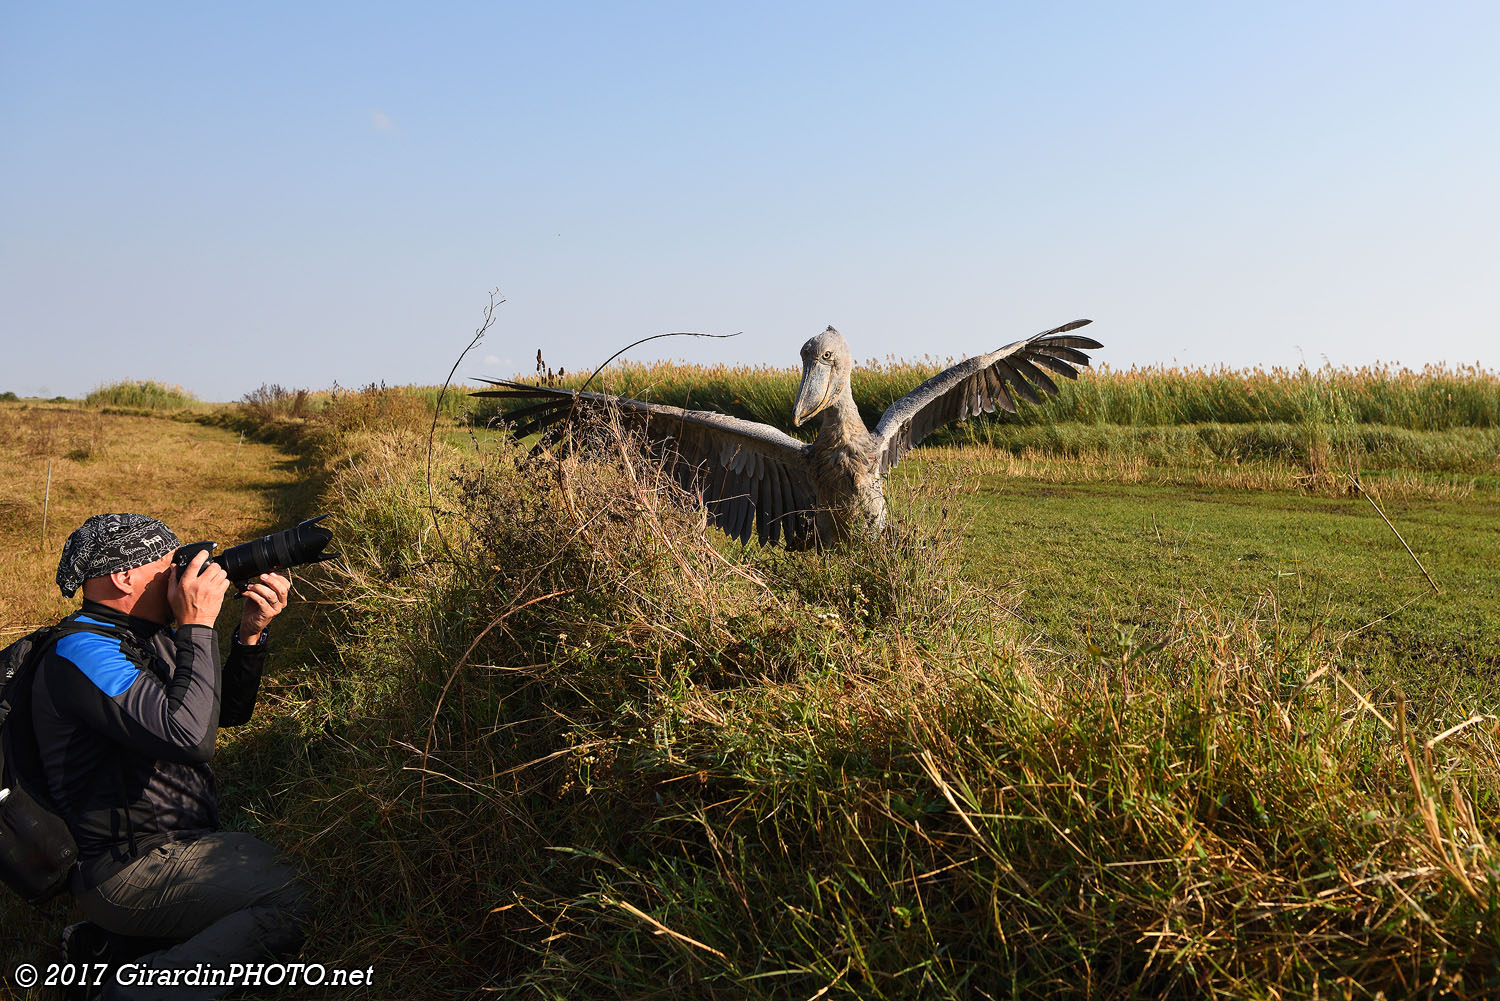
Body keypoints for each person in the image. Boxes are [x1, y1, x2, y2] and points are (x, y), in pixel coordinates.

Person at [33, 513, 312, 1001]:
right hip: (129, 869)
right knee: (299, 892)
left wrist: (250, 634)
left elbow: (219, 715)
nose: (185, 575)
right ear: (123, 577)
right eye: (170, 565)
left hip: (175, 845)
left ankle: (110, 951)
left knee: (294, 865)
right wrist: (198, 624)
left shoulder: (143, 633)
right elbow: (191, 738)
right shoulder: (83, 652)